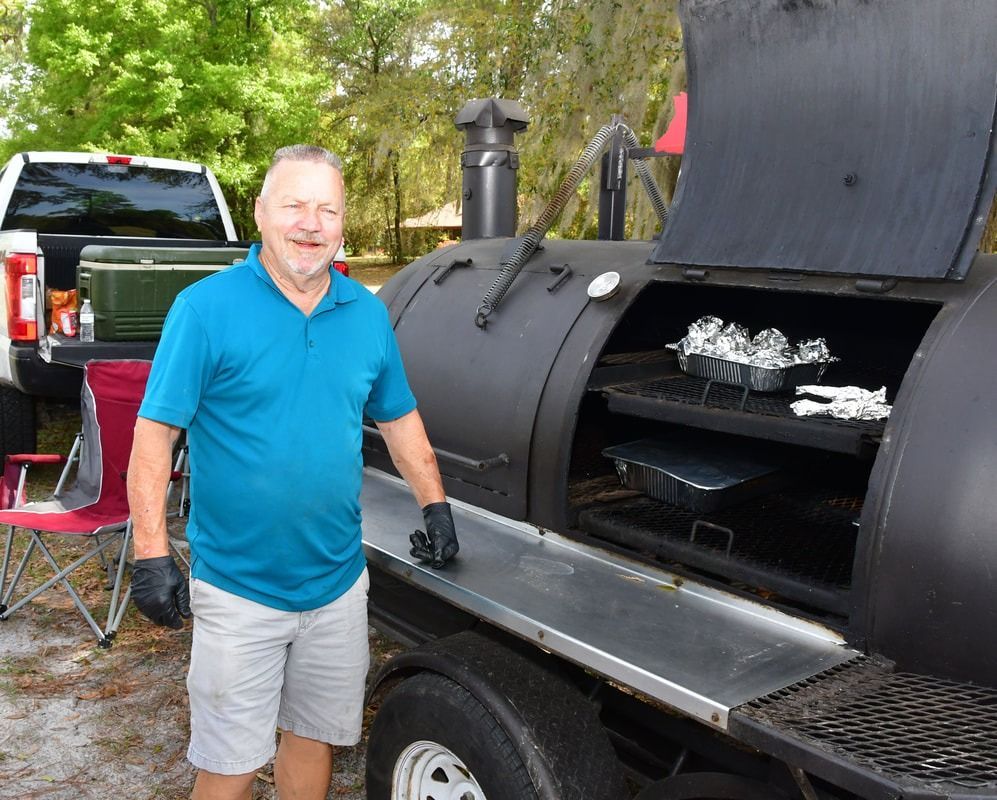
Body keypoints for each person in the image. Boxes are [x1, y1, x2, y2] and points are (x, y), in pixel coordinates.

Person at [126, 144, 459, 800]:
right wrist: (151, 554)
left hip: (337, 586)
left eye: (327, 209)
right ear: (260, 214)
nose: (310, 223)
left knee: (312, 742)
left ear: (342, 223)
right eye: (294, 205)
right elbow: (154, 434)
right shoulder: (205, 308)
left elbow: (397, 418)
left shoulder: (365, 312)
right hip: (238, 589)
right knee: (230, 766)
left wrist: (435, 505)